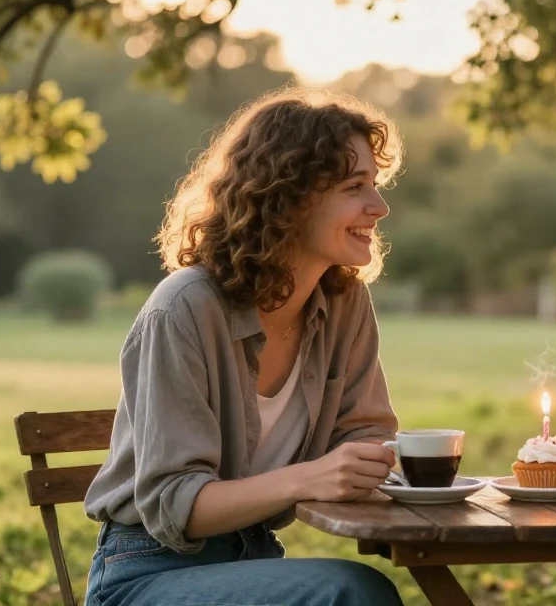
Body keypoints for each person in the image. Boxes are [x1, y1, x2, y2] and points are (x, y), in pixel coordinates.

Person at [82, 87, 405, 606]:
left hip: (254, 562)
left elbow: (364, 434)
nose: (380, 207)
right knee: (350, 592)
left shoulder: (344, 303)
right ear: (288, 197)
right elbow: (174, 504)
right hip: (146, 574)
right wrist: (307, 478)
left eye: (376, 184)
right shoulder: (184, 308)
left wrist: (378, 461)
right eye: (354, 186)